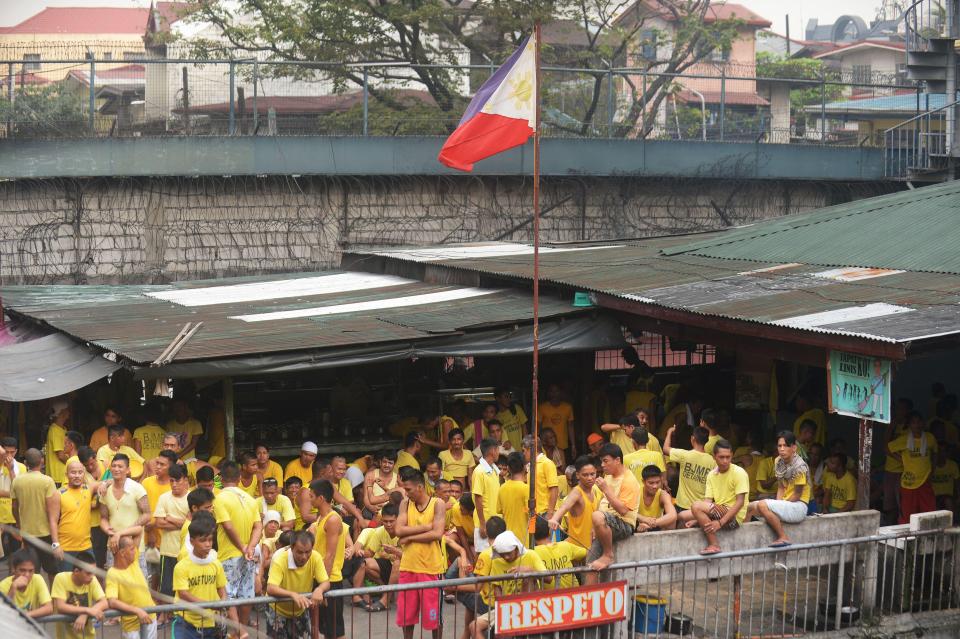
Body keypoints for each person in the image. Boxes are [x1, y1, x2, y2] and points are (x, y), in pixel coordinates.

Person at [395, 466, 446, 639]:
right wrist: (425, 527)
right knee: (406, 617)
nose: (406, 493)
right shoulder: (405, 503)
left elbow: (437, 534)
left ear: (420, 487)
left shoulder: (437, 503)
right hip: (408, 567)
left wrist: (410, 538)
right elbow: (398, 530)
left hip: (431, 568)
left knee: (434, 618)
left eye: (408, 489)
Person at [469, 531, 546, 639]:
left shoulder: (531, 555)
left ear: (516, 548)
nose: (506, 557)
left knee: (526, 578)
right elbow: (497, 588)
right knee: (474, 626)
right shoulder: (497, 561)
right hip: (506, 607)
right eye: (502, 553)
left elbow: (548, 578)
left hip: (529, 607)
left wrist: (529, 570)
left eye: (508, 553)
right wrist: (505, 611)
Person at [215, 460, 262, 632]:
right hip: (248, 554)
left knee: (228, 595)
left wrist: (243, 547)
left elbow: (227, 526)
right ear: (239, 477)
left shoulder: (219, 498)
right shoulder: (250, 499)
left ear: (220, 478)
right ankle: (241, 631)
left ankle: (237, 633)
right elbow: (258, 526)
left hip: (229, 554)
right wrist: (249, 547)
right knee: (246, 594)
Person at [172, 513, 235, 639]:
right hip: (186, 623)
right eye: (202, 540)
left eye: (210, 540)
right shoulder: (182, 566)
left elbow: (222, 589)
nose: (207, 544)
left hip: (210, 623)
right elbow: (183, 593)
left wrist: (221, 603)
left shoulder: (216, 564)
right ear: (192, 541)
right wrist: (208, 604)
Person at [683, 440, 749, 555]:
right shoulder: (711, 475)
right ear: (714, 457)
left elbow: (740, 502)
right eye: (721, 457)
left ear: (732, 456)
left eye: (728, 457)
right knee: (683, 515)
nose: (725, 461)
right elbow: (708, 501)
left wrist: (720, 522)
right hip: (720, 511)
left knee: (696, 506)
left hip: (735, 517)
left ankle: (714, 544)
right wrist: (697, 519)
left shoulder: (739, 472)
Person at [746, 431, 811, 547]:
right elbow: (781, 486)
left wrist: (780, 507)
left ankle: (783, 537)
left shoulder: (800, 467)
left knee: (762, 505)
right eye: (779, 445)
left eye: (785, 445)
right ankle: (743, 539)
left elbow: (797, 495)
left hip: (798, 506)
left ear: (794, 448)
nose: (781, 449)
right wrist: (779, 505)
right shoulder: (778, 461)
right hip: (786, 504)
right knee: (749, 507)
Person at [586, 444, 641, 580]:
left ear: (617, 460)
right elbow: (602, 503)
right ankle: (592, 597)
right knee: (590, 565)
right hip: (607, 524)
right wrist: (596, 526)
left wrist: (606, 489)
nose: (602, 465)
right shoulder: (608, 477)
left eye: (605, 461)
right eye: (601, 461)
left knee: (597, 516)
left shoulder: (629, 480)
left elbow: (622, 510)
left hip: (624, 524)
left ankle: (608, 554)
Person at [266, 529, 330, 639]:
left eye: (308, 552)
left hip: (301, 609)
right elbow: (271, 588)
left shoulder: (315, 557)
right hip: (277, 611)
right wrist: (293, 595)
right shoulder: (280, 559)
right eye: (300, 552)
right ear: (291, 548)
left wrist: (319, 590)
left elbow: (325, 582)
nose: (304, 556)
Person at [11, 448, 61, 577]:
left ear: (26, 463)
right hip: (46, 533)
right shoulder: (47, 481)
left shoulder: (17, 481)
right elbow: (52, 512)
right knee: (52, 571)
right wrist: (56, 541)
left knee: (32, 571)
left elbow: (14, 508)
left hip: (27, 533)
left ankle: (34, 596)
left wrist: (19, 524)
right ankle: (53, 596)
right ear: (42, 461)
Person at [100, 453, 151, 572]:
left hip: (134, 545)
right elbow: (103, 517)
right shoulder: (105, 490)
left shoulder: (137, 488)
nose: (116, 469)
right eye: (114, 466)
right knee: (114, 583)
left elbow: (147, 514)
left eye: (120, 466)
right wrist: (109, 531)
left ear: (128, 470)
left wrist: (124, 533)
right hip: (113, 545)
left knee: (138, 586)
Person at [309, 479, 346, 639]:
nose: (309, 499)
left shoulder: (333, 519)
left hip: (330, 579)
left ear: (321, 498)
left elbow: (330, 555)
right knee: (327, 629)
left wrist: (323, 585)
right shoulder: (320, 519)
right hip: (322, 578)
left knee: (335, 631)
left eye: (311, 496)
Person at [888, 411, 938, 523]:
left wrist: (933, 469)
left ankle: (928, 537)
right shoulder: (904, 439)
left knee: (929, 512)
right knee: (908, 514)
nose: (917, 425)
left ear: (923, 423)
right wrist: (901, 459)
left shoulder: (930, 438)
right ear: (909, 425)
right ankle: (907, 538)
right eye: (914, 422)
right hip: (908, 482)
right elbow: (888, 448)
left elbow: (935, 453)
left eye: (919, 422)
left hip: (925, 480)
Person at [350, 502, 400, 611]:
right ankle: (356, 596)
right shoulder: (379, 532)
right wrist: (360, 552)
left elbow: (410, 556)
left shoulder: (403, 531)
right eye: (385, 521)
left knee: (397, 563)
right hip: (388, 566)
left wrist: (395, 551)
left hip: (405, 567)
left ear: (398, 519)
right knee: (364, 563)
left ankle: (385, 600)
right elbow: (370, 553)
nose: (388, 524)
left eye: (391, 521)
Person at [153, 463, 190, 607]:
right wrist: (183, 523)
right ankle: (164, 616)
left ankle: (180, 615)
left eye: (177, 480)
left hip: (185, 552)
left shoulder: (192, 497)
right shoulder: (164, 498)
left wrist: (170, 518)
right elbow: (158, 524)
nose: (174, 484)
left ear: (186, 480)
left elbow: (192, 524)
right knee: (166, 587)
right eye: (171, 481)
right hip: (167, 550)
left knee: (184, 587)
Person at [105, 535, 156, 639]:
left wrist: (118, 534)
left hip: (150, 617)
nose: (135, 551)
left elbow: (138, 530)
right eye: (132, 549)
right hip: (132, 627)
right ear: (123, 553)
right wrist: (137, 611)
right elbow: (112, 601)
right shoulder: (113, 573)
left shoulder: (134, 561)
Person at [548, 456, 601, 550]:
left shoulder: (594, 490)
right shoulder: (577, 492)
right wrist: (555, 519)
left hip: (590, 548)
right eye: (585, 475)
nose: (590, 478)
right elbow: (564, 507)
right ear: (577, 475)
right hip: (577, 550)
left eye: (592, 474)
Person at [50, 550, 106, 639]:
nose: (92, 576)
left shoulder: (92, 580)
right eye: (88, 573)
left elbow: (104, 602)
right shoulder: (60, 578)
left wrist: (85, 614)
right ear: (76, 571)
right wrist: (87, 611)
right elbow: (61, 606)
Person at [664, 425, 717, 515]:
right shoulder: (713, 462)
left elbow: (665, 449)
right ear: (707, 441)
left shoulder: (684, 455)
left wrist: (669, 432)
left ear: (692, 438)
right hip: (701, 508)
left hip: (682, 506)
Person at [57, 460, 94, 572]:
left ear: (84, 474)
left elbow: (109, 481)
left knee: (89, 579)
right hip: (65, 547)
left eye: (80, 472)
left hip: (86, 546)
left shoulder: (88, 489)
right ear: (67, 474)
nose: (77, 476)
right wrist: (55, 544)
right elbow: (52, 521)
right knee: (67, 582)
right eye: (73, 472)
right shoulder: (59, 493)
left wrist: (104, 485)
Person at [531, 517, 587, 588]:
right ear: (549, 531)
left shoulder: (533, 553)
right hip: (575, 596)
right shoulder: (566, 545)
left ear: (532, 535)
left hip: (552, 598)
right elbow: (588, 553)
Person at [1, 548, 53, 617]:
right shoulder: (3, 585)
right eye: (22, 570)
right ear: (14, 569)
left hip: (29, 626)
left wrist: (25, 616)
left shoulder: (37, 579)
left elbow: (49, 608)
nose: (27, 575)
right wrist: (13, 587)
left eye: (31, 571)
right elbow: (3, 613)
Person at [471, 438, 501, 553]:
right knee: (482, 556)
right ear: (493, 451)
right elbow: (478, 499)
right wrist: (483, 525)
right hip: (484, 522)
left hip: (496, 521)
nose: (499, 452)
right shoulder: (479, 471)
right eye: (498, 449)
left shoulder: (494, 469)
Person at [523, 435, 559, 523]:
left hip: (545, 513)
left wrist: (550, 514)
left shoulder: (547, 463)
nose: (523, 454)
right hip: (534, 513)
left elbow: (554, 488)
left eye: (524, 450)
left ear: (530, 449)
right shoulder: (531, 466)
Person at [0, 437, 25, 557]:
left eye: (12, 452)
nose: (9, 455)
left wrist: (11, 470)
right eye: (6, 452)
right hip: (1, 515)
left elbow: (19, 490)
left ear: (16, 451)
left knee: (15, 552)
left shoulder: (21, 467)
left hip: (14, 515)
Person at [497, 452, 528, 542]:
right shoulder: (526, 489)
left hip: (507, 538)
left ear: (508, 468)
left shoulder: (502, 488)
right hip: (524, 539)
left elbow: (500, 510)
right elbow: (531, 513)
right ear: (524, 467)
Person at [635, 465, 677, 532]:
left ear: (661, 480)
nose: (655, 486)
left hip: (656, 526)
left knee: (672, 522)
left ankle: (668, 541)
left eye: (658, 482)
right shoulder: (635, 491)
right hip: (637, 526)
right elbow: (625, 511)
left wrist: (649, 524)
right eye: (651, 483)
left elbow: (672, 515)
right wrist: (643, 519)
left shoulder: (663, 494)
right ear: (643, 481)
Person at [538, 383, 575, 456]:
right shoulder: (542, 408)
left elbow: (570, 426)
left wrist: (573, 445)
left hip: (563, 445)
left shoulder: (568, 407)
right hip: (547, 446)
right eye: (552, 391)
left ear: (561, 392)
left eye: (556, 391)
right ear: (548, 393)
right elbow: (538, 427)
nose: (554, 394)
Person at [363, 450, 398, 516]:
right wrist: (372, 508)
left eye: (390, 463)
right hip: (371, 511)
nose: (387, 465)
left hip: (391, 512)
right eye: (384, 462)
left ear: (394, 464)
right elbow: (365, 498)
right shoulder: (370, 475)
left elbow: (397, 501)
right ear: (380, 462)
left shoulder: (397, 478)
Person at [46, 401, 71, 487]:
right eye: (67, 410)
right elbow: (60, 455)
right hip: (57, 476)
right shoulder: (55, 430)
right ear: (61, 412)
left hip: (62, 475)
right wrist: (72, 463)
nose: (69, 412)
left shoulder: (63, 429)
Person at [495, 388, 528, 453]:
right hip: (507, 452)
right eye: (506, 397)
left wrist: (526, 445)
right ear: (498, 399)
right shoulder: (497, 417)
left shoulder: (516, 408)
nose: (509, 399)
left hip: (521, 450)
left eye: (509, 397)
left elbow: (524, 427)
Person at [931, 446, 959, 515]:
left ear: (947, 453)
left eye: (943, 451)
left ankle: (952, 523)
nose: (941, 454)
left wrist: (958, 496)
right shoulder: (930, 465)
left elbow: (957, 483)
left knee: (948, 501)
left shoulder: (952, 465)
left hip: (948, 495)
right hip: (933, 496)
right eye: (939, 451)